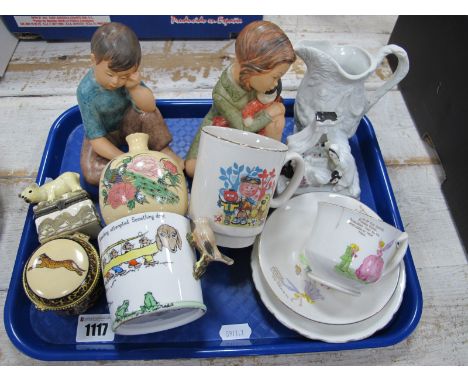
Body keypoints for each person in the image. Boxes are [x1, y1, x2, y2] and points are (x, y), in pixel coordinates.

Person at [184, 20, 296, 177]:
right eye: (275, 77)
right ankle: (238, 169)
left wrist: (271, 110)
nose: (276, 83)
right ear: (253, 69)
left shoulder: (258, 82)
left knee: (278, 120)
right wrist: (268, 113)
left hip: (254, 130)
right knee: (192, 168)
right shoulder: (222, 93)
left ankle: (267, 163)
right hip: (224, 131)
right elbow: (241, 129)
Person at [77, 22, 183, 186]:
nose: (116, 81)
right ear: (93, 60)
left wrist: (133, 87)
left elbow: (149, 107)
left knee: (148, 113)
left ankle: (162, 149)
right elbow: (96, 139)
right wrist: (125, 159)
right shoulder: (86, 92)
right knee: (91, 173)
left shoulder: (128, 80)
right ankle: (127, 176)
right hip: (103, 135)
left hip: (129, 125)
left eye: (124, 76)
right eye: (110, 74)